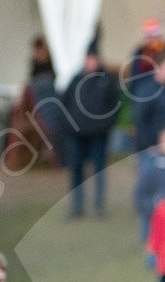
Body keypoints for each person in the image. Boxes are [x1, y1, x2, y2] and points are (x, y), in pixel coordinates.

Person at [62, 48, 119, 219]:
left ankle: (99, 206)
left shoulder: (107, 80)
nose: (90, 63)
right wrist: (68, 126)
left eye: (94, 59)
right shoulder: (75, 80)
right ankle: (77, 207)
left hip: (98, 135)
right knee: (76, 170)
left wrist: (106, 125)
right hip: (76, 134)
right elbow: (64, 104)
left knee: (99, 170)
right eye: (88, 59)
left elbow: (114, 105)